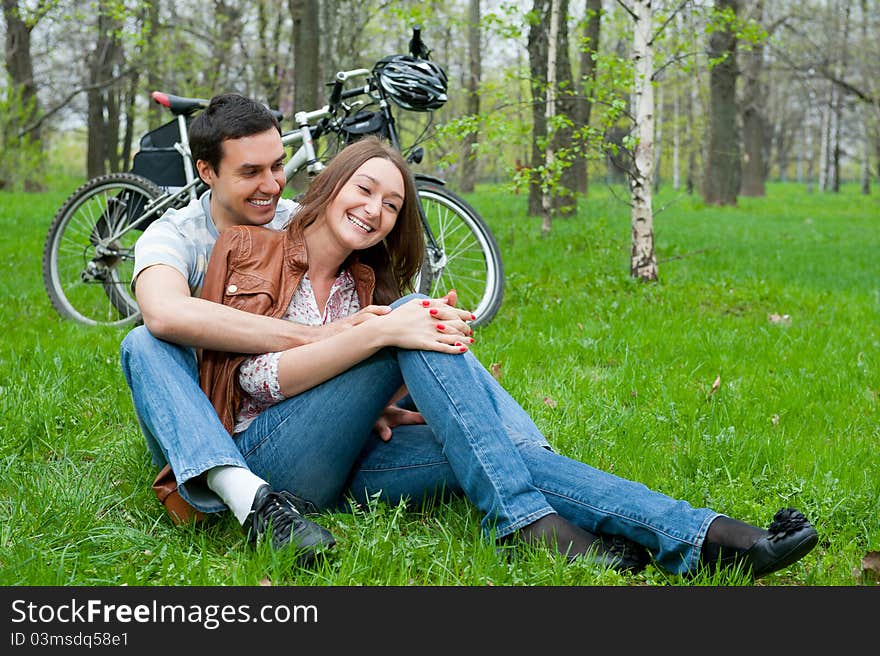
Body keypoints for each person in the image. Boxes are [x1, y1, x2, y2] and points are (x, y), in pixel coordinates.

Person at [196, 135, 820, 579]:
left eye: (392, 205)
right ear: (332, 185)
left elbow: (371, 385)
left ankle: (713, 540)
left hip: (357, 465)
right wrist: (380, 336)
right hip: (272, 464)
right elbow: (255, 374)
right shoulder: (259, 250)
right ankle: (523, 518)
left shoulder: (368, 285)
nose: (376, 210)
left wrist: (389, 393)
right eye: (366, 190)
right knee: (415, 322)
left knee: (493, 439)